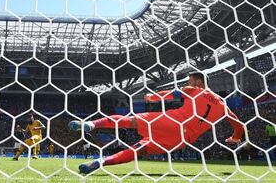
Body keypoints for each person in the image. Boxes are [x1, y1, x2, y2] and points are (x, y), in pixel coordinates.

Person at [69, 72, 244, 174]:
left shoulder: (196, 90)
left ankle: (92, 124)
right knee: (138, 149)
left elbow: (174, 93)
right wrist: (235, 138)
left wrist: (154, 96)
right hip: (183, 139)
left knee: (130, 121)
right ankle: (102, 161)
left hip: (171, 121)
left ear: (198, 82)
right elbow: (239, 126)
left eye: (189, 81)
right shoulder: (223, 105)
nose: (188, 84)